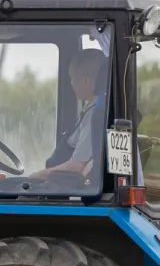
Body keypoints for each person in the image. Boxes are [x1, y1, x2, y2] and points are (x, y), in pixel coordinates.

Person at [24, 49, 107, 188]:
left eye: (72, 79)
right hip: (60, 183)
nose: (71, 84)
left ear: (85, 81)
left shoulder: (96, 114)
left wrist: (36, 175)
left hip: (67, 186)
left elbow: (77, 166)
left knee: (4, 187)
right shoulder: (90, 109)